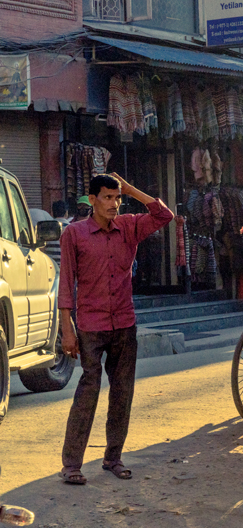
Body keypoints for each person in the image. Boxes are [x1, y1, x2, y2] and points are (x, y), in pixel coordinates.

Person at [57, 173, 174, 485]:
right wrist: (66, 329)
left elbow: (164, 215)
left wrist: (131, 188)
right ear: (92, 200)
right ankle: (71, 464)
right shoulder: (74, 234)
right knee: (88, 392)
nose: (114, 204)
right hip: (90, 326)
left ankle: (113, 458)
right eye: (107, 198)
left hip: (124, 322)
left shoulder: (130, 226)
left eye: (117, 198)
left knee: (122, 393)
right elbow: (66, 283)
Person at [44, 200, 70, 266]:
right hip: (66, 266)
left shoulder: (46, 227)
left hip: (50, 266)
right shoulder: (71, 228)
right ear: (66, 213)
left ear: (52, 213)